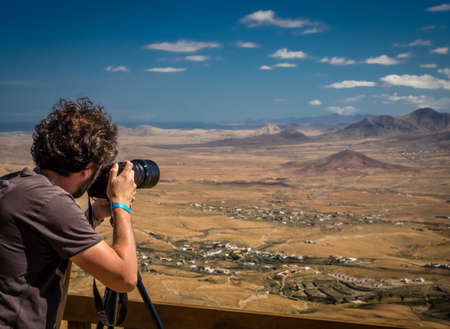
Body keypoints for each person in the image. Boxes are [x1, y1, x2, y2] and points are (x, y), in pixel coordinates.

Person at [0, 98, 138, 329]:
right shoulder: (49, 201)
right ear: (86, 169)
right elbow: (124, 279)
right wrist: (121, 204)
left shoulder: (14, 185)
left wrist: (94, 214)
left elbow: (45, 236)